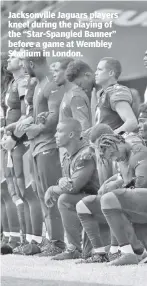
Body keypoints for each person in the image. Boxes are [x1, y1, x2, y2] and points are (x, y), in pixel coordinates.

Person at [22, 49, 65, 256]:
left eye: (23, 64)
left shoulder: (50, 84)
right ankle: (51, 240)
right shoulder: (38, 85)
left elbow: (55, 117)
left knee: (51, 194)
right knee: (41, 195)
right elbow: (39, 116)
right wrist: (25, 124)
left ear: (31, 63)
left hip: (49, 146)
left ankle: (59, 242)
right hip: (37, 147)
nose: (23, 68)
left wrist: (36, 128)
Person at [44, 118, 100, 260]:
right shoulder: (67, 156)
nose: (55, 135)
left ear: (70, 135)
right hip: (87, 200)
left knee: (65, 199)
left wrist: (51, 189)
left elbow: (72, 187)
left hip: (99, 200)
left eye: (59, 131)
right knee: (65, 198)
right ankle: (76, 248)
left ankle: (74, 248)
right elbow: (66, 183)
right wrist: (60, 181)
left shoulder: (85, 154)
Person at [97, 133, 147, 265]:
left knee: (109, 199)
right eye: (111, 157)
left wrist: (120, 186)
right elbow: (125, 177)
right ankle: (133, 250)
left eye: (114, 153)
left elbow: (142, 183)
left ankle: (127, 252)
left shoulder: (139, 152)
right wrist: (111, 183)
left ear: (120, 142)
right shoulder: (125, 157)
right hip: (141, 203)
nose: (115, 158)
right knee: (110, 200)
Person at [93, 57, 138, 134]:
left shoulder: (116, 91)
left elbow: (132, 123)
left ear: (111, 73)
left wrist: (109, 138)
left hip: (113, 144)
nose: (95, 73)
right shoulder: (103, 93)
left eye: (100, 69)